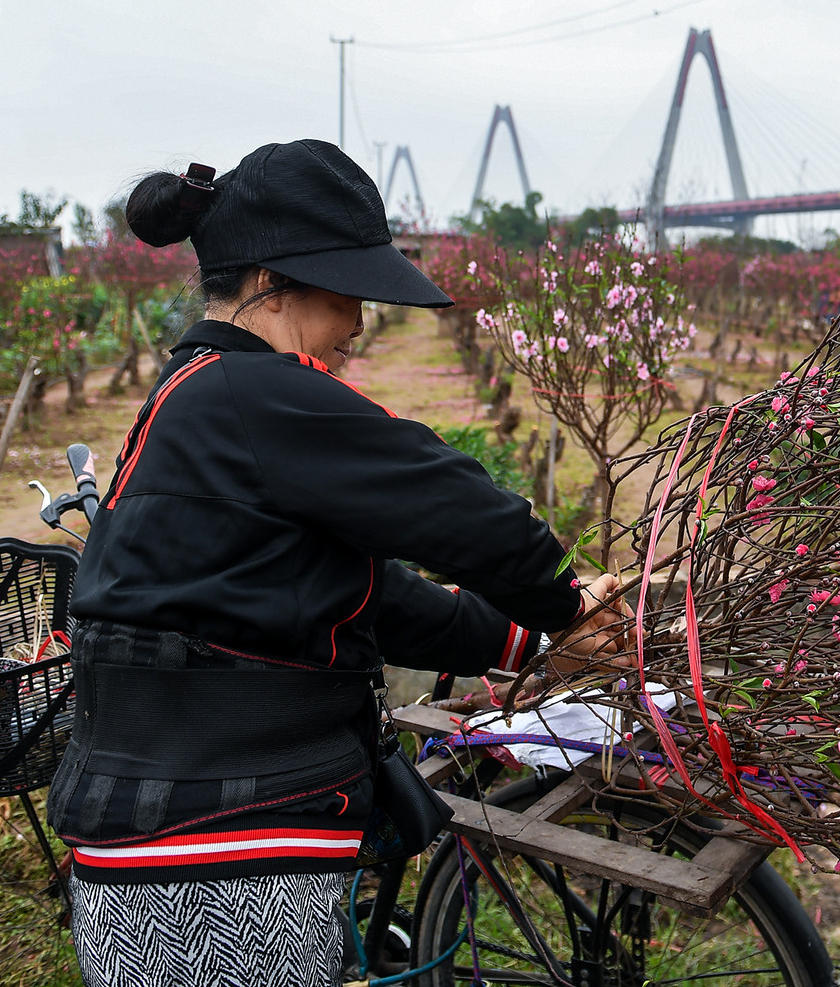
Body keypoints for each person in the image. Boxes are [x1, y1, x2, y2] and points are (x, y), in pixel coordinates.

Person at [50, 139, 625, 987]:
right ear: (274, 282)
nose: (358, 321)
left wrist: (520, 642)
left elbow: (346, 589)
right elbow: (458, 505)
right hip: (216, 863)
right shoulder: (253, 392)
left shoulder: (194, 392)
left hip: (177, 839)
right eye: (349, 289)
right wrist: (567, 604)